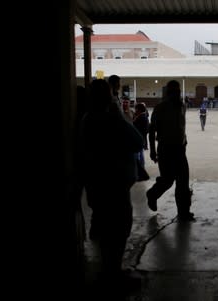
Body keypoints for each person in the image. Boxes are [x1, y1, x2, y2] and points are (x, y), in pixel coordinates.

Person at [80, 79, 144, 291]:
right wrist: (120, 116)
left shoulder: (87, 119)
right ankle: (113, 275)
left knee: (104, 228)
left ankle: (107, 271)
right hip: (115, 184)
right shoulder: (112, 119)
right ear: (108, 97)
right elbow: (137, 141)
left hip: (96, 183)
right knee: (118, 229)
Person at [145, 80, 195, 221]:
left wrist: (184, 141)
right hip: (166, 149)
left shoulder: (182, 106)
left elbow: (180, 127)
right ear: (168, 92)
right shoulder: (160, 108)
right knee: (167, 180)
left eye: (178, 91)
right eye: (174, 91)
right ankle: (152, 194)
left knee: (183, 182)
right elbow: (152, 130)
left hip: (180, 150)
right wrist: (152, 151)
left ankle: (183, 212)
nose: (177, 93)